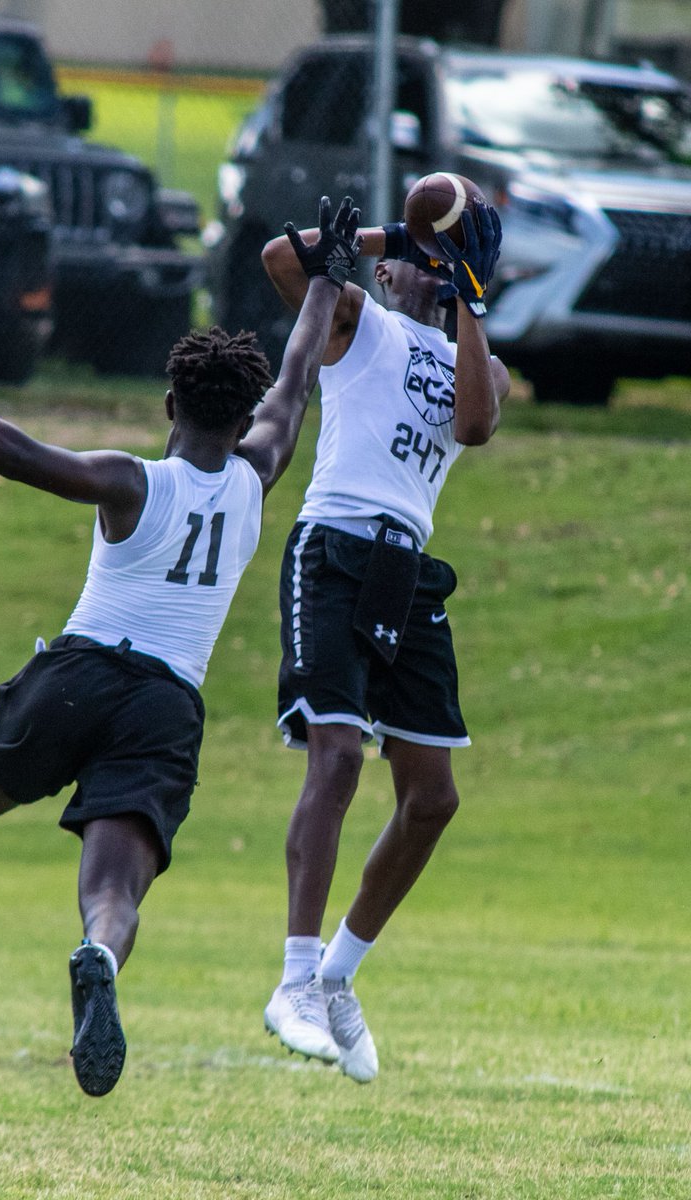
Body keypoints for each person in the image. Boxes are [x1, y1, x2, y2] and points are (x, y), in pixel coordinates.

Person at [0, 197, 363, 1097]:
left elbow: (15, 454)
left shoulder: (128, 483)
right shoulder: (262, 469)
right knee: (115, 888)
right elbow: (297, 372)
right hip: (167, 704)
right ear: (245, 411)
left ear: (169, 404)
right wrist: (330, 277)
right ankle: (97, 953)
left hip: (83, 670)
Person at [258, 198, 509, 1083]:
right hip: (332, 549)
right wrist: (397, 239)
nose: (423, 267)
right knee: (335, 759)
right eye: (413, 261)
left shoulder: (478, 360)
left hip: (407, 572)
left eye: (441, 258)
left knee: (432, 798)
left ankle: (335, 977)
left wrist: (467, 292)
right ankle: (291, 980)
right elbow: (282, 260)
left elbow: (475, 424)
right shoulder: (358, 324)